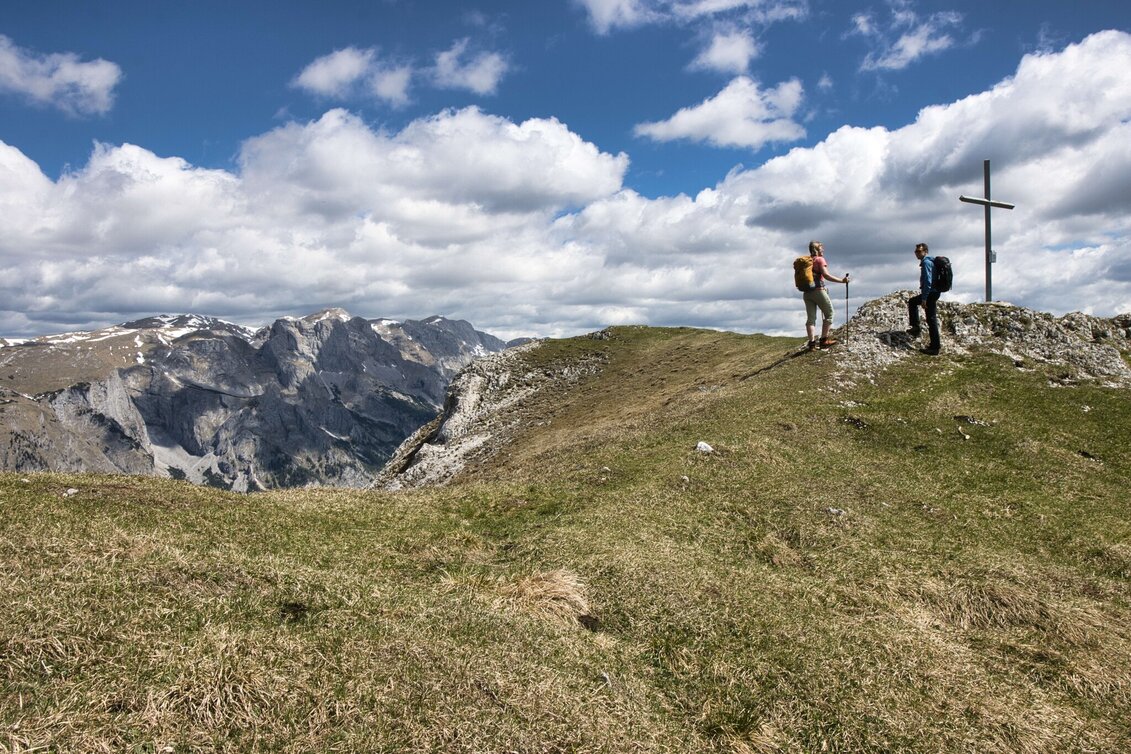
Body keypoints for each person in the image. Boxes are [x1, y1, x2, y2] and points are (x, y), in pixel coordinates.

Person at [803, 240, 850, 350]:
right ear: (817, 249)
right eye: (821, 248)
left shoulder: (807, 261)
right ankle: (824, 340)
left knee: (811, 319)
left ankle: (812, 344)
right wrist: (842, 281)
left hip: (807, 293)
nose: (823, 250)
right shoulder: (819, 260)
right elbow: (826, 275)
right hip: (818, 291)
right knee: (830, 314)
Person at [907, 242, 941, 355]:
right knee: (931, 319)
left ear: (925, 251)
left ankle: (934, 347)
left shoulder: (926, 263)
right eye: (916, 251)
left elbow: (928, 282)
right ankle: (933, 344)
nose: (917, 253)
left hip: (930, 293)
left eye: (919, 251)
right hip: (934, 292)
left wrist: (924, 298)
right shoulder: (930, 261)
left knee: (931, 319)